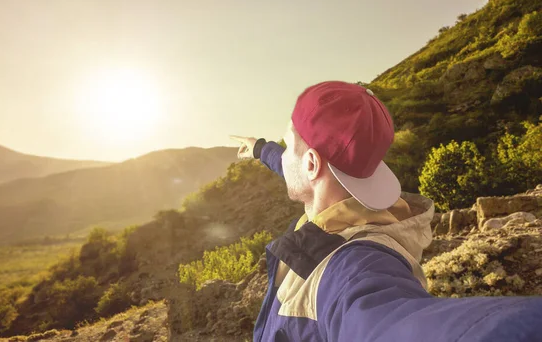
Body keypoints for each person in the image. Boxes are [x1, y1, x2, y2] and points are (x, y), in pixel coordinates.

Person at [230, 81, 542, 342]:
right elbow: (297, 169)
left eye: (288, 144)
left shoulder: (356, 266)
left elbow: (389, 324)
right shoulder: (346, 201)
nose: (284, 156)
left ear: (312, 163)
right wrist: (259, 148)